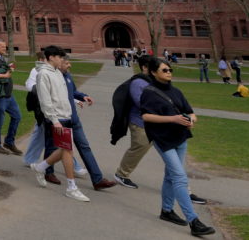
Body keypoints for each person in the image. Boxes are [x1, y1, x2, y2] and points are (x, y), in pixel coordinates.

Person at [140, 57, 215, 236]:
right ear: (153, 72)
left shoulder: (176, 91)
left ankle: (166, 211)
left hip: (180, 138)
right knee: (180, 178)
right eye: (164, 70)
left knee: (170, 175)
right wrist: (173, 119)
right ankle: (194, 222)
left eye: (170, 70)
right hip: (163, 140)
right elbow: (146, 116)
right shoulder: (149, 92)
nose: (169, 73)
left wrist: (191, 120)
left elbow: (191, 112)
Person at [41, 58, 117, 191]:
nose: (69, 65)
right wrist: (53, 119)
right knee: (52, 147)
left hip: (73, 119)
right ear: (58, 63)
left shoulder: (67, 76)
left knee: (84, 147)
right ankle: (48, 172)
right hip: (59, 119)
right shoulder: (51, 77)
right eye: (66, 63)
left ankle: (98, 180)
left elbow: (73, 92)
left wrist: (83, 96)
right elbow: (46, 99)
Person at [29, 46, 90, 201]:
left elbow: (63, 95)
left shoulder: (57, 72)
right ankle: (71, 187)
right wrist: (54, 120)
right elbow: (45, 100)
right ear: (51, 57)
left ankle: (40, 167)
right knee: (67, 151)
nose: (62, 60)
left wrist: (74, 103)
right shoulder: (43, 74)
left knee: (64, 150)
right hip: (56, 119)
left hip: (66, 116)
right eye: (59, 57)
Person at [111, 54, 155, 189]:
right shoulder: (138, 82)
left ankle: (178, 181)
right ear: (144, 67)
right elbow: (141, 103)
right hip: (139, 122)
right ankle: (122, 174)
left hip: (156, 122)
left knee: (169, 151)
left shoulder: (154, 81)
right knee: (140, 146)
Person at [0, 38, 23, 155]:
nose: (4, 48)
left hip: (8, 95)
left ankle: (9, 142)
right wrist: (5, 75)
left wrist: (8, 68)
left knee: (17, 116)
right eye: (2, 46)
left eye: (5, 46)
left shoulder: (1, 57)